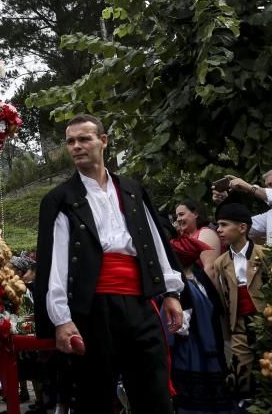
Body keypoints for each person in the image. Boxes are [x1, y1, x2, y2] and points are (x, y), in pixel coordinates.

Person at [34, 114, 184, 414]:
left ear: (103, 141)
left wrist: (170, 293)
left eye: (84, 139)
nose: (76, 146)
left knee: (155, 394)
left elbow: (154, 241)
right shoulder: (60, 198)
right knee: (94, 397)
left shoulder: (132, 190)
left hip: (140, 304)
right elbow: (55, 264)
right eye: (70, 141)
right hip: (91, 309)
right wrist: (62, 319)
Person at [168, 208, 233, 414]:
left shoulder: (183, 289)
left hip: (191, 351)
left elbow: (178, 328)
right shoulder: (198, 282)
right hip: (209, 347)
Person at [211, 203, 266, 406]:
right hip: (238, 323)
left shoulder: (264, 254)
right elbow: (223, 299)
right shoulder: (220, 263)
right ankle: (245, 401)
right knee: (241, 368)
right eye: (218, 225)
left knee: (270, 364)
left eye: (224, 225)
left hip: (265, 320)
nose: (219, 230)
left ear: (242, 228)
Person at [211, 166, 272, 245]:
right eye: (267, 186)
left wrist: (249, 188)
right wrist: (225, 202)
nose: (268, 189)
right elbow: (242, 226)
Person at [174, 198, 222, 277]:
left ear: (195, 214)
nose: (178, 219)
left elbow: (210, 269)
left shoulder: (206, 233)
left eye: (181, 214)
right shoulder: (184, 237)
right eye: (177, 216)